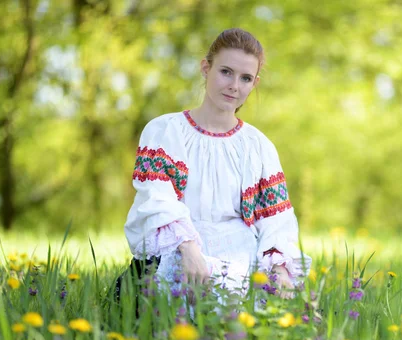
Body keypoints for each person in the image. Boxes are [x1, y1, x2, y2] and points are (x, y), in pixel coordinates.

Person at [120, 28, 311, 310]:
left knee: (274, 321)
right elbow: (156, 199)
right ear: (205, 68)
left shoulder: (258, 146)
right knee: (150, 307)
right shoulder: (165, 131)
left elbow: (276, 219)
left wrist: (280, 269)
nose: (234, 85)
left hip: (239, 257)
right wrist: (188, 249)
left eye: (245, 78)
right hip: (179, 249)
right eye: (226, 72)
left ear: (254, 83)